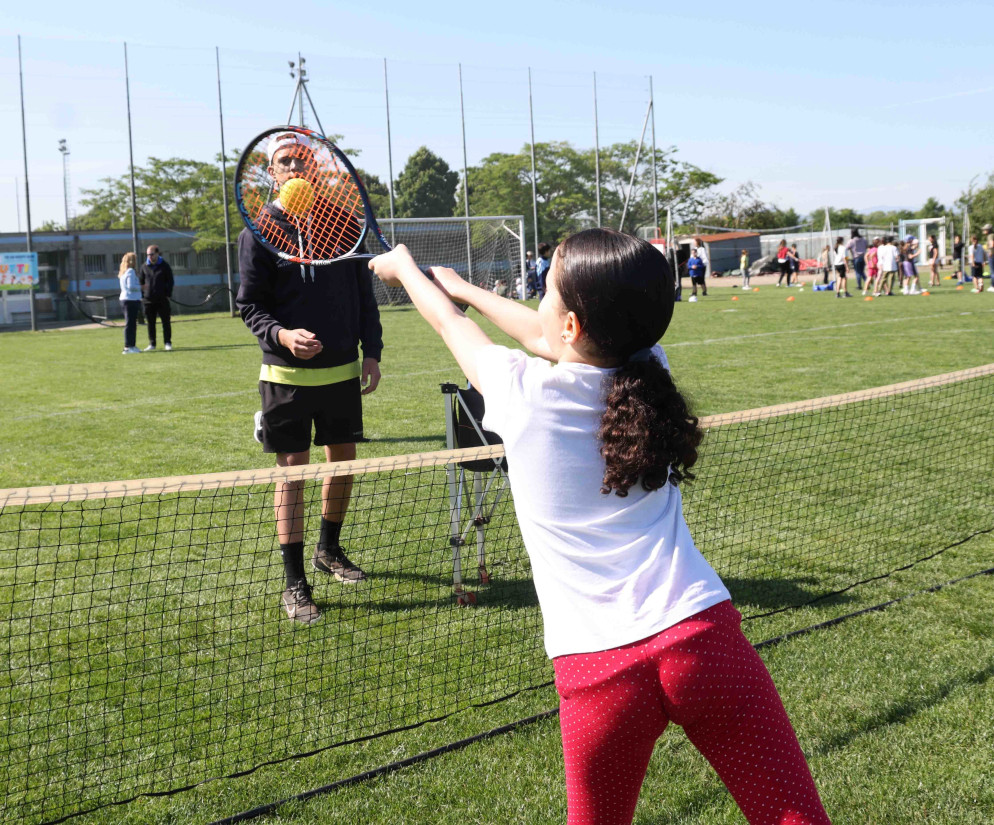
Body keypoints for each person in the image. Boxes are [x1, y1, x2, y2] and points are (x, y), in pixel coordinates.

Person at [368, 228, 831, 825]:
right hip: (702, 637)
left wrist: (406, 271)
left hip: (597, 669)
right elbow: (545, 335)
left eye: (547, 288)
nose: (539, 299)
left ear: (571, 327)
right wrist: (466, 288)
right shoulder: (649, 370)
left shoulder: (521, 394)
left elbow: (450, 328)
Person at [237, 130, 384, 624]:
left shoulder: (345, 225)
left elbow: (364, 296)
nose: (295, 169)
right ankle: (294, 582)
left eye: (302, 161)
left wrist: (372, 352)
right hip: (285, 374)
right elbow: (250, 306)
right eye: (285, 163)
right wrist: (282, 335)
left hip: (343, 370)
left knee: (342, 463)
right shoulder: (258, 233)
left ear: (314, 169)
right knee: (294, 471)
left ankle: (330, 549)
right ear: (271, 174)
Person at [139, 244, 174, 351]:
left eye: (152, 254)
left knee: (166, 322)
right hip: (148, 300)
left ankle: (167, 343)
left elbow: (170, 281)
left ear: (157, 253)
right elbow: (141, 282)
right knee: (150, 323)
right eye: (148, 255)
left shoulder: (165, 265)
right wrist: (142, 296)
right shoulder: (144, 266)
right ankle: (152, 344)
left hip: (162, 299)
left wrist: (168, 294)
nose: (150, 256)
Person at [118, 252, 142, 354]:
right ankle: (128, 346)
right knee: (130, 324)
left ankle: (132, 345)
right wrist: (141, 287)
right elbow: (131, 286)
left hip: (127, 300)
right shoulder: (131, 271)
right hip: (130, 300)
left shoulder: (124, 272)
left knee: (132, 323)